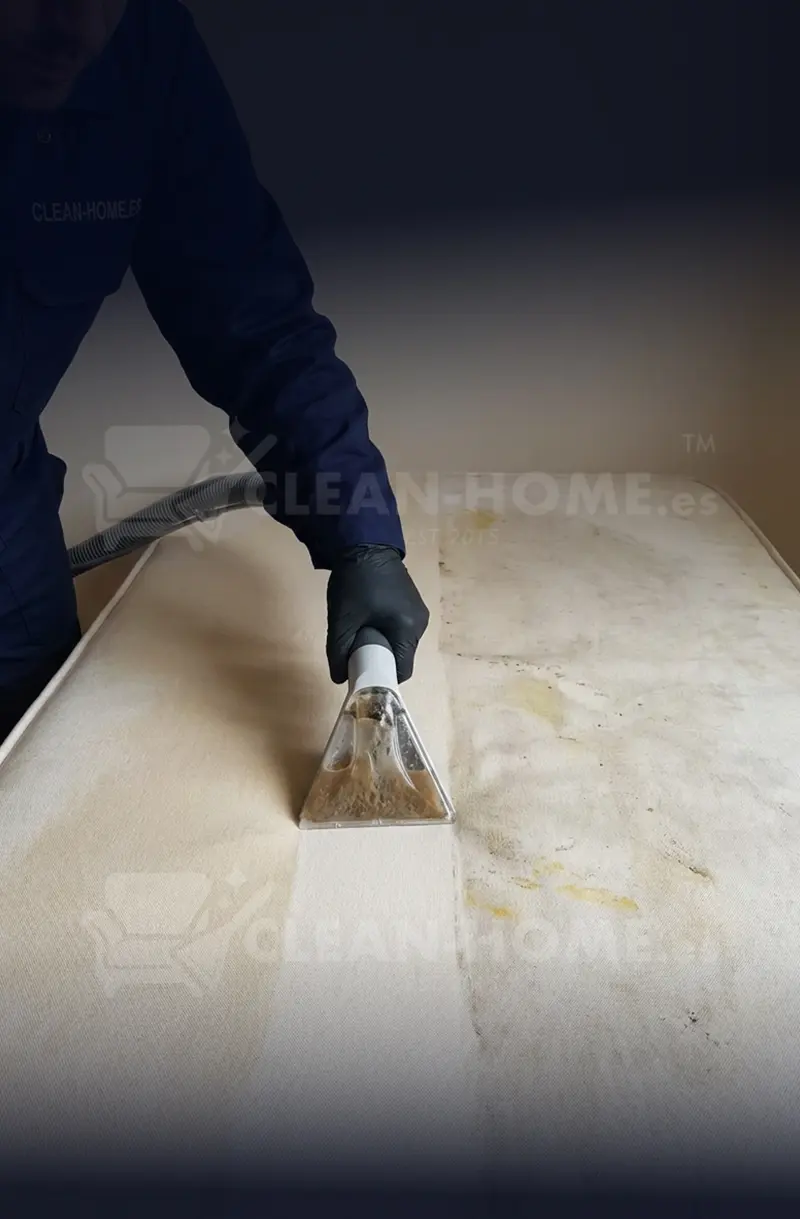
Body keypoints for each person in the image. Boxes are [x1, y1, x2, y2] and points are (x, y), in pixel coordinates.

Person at [0, 0, 428, 740]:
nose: (74, 26)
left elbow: (253, 317)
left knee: (40, 754)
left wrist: (361, 535)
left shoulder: (140, 52)